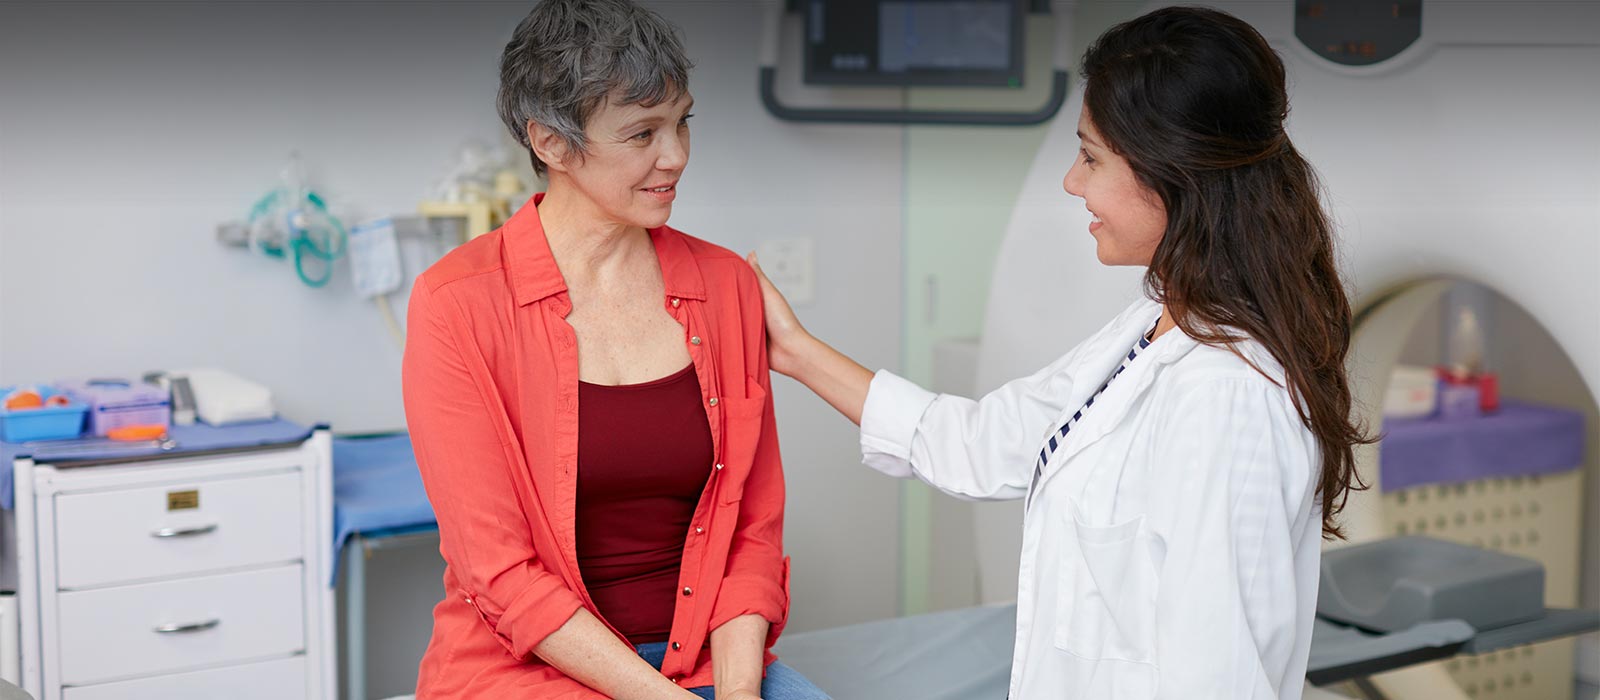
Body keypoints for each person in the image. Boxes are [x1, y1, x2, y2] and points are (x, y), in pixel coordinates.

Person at [747, 6, 1369, 699]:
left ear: (1174, 173)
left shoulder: (1225, 395)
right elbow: (981, 441)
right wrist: (794, 351)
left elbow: (1212, 676)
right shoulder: (1154, 325)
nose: (1073, 182)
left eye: (1091, 156)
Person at [402, 1, 827, 698]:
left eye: (683, 121)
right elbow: (499, 573)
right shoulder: (457, 305)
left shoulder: (725, 287)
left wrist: (742, 692)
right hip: (529, 668)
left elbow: (752, 529)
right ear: (552, 144)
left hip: (704, 660)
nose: (677, 155)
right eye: (642, 134)